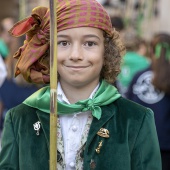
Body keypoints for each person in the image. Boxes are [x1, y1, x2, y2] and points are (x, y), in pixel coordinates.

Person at [0, 0, 161, 169]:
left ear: (106, 51)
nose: (75, 55)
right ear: (48, 50)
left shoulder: (136, 119)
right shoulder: (19, 119)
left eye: (89, 43)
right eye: (64, 43)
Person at [127, 33, 170, 170]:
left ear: (150, 50)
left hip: (140, 142)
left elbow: (128, 107)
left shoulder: (138, 76)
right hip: (166, 142)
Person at [116, 31, 150, 97]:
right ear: (138, 45)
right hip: (136, 95)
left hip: (119, 94)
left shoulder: (116, 59)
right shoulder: (145, 61)